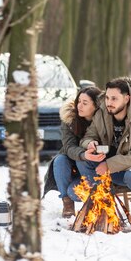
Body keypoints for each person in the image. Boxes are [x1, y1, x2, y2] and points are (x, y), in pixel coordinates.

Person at [77, 76, 131, 218]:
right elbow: (87, 137)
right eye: (107, 98)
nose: (109, 103)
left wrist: (108, 165)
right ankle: (100, 201)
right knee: (82, 160)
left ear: (127, 99)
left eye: (114, 99)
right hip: (108, 163)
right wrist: (90, 143)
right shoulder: (102, 115)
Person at [43, 85, 102, 218]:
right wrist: (83, 154)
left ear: (96, 105)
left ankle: (95, 197)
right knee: (59, 160)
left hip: (96, 167)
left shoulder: (104, 120)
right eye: (78, 102)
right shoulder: (69, 119)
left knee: (73, 191)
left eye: (84, 103)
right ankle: (67, 203)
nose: (79, 106)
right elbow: (69, 147)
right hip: (73, 163)